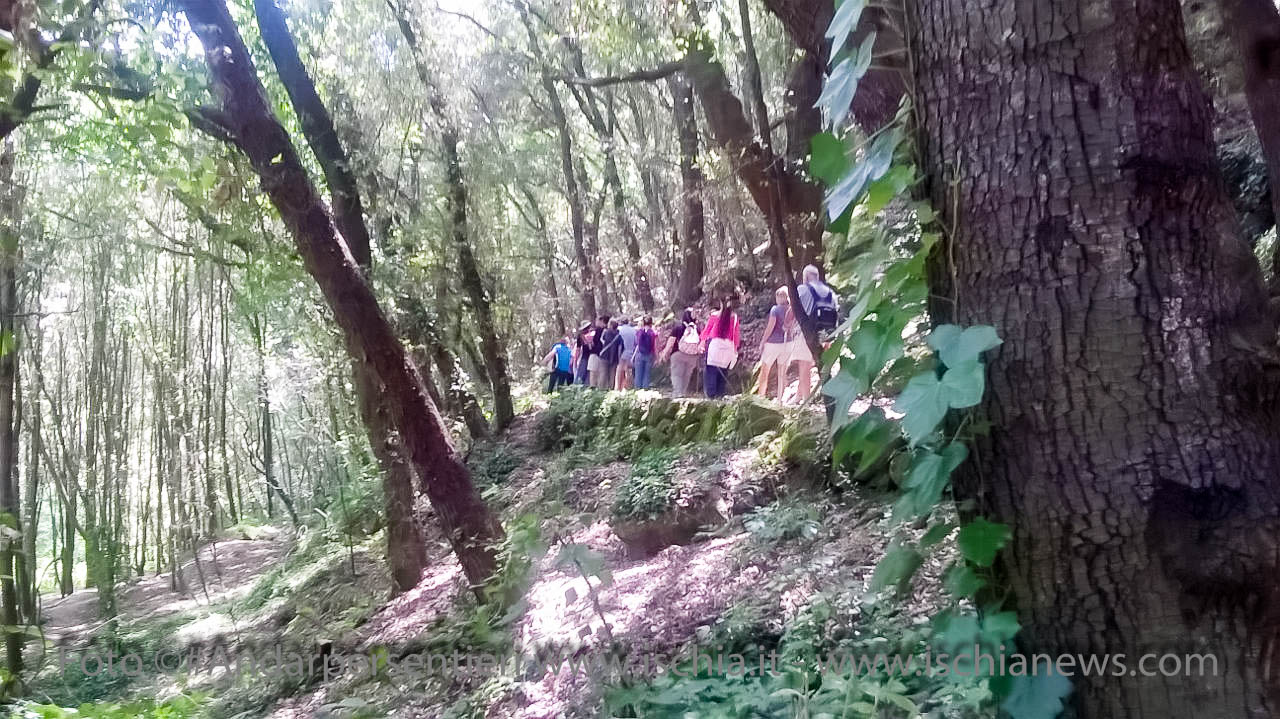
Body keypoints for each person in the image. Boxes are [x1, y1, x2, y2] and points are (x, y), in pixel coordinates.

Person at [790, 265, 839, 400]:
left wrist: (788, 326)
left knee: (804, 365)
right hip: (826, 332)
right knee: (819, 364)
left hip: (808, 332)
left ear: (805, 277)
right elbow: (835, 312)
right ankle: (800, 396)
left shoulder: (802, 289)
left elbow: (793, 310)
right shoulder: (829, 292)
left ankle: (806, 400)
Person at [700, 297, 740, 400]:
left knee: (711, 372)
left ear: (721, 304)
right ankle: (720, 397)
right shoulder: (734, 317)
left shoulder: (714, 316)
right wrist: (735, 349)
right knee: (723, 373)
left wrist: (702, 343)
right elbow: (736, 335)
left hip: (715, 346)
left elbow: (706, 331)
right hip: (728, 348)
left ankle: (711, 397)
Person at [756, 286, 792, 401]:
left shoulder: (775, 310)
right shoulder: (793, 309)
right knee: (782, 373)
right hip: (788, 343)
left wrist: (763, 341)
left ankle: (760, 397)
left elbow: (770, 327)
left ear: (778, 297)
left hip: (773, 344)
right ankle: (780, 400)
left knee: (765, 371)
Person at [659, 308, 700, 397]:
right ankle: (683, 393)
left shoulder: (678, 328)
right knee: (686, 376)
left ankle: (678, 393)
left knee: (677, 375)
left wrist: (664, 353)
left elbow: (671, 343)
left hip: (678, 355)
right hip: (693, 356)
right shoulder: (697, 330)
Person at [595, 318, 621, 389]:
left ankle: (601, 389)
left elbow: (602, 340)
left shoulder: (606, 332)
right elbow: (619, 348)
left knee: (603, 374)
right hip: (614, 358)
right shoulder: (618, 335)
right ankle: (611, 390)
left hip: (604, 356)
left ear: (611, 325)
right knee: (612, 376)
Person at [614, 316, 638, 390]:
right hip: (631, 352)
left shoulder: (619, 330)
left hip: (621, 352)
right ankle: (628, 387)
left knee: (620, 370)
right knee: (628, 370)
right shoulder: (633, 330)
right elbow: (636, 342)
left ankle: (618, 388)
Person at [633, 315, 657, 389]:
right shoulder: (653, 333)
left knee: (638, 374)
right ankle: (645, 390)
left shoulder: (639, 332)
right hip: (649, 354)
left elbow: (636, 344)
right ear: (651, 323)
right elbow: (654, 346)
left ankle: (637, 390)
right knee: (647, 374)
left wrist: (633, 356)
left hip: (640, 354)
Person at [585, 316, 608, 387]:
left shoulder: (598, 330)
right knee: (601, 373)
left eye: (598, 321)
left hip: (595, 353)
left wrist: (589, 343)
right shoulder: (607, 331)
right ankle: (600, 387)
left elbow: (593, 342)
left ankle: (593, 387)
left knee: (593, 373)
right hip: (603, 355)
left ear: (602, 321)